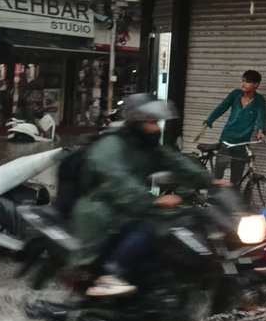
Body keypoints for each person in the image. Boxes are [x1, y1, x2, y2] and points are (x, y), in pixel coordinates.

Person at [73, 93, 220, 298]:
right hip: (102, 206)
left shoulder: (147, 145)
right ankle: (111, 275)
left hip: (130, 202)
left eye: (156, 122)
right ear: (136, 122)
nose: (156, 127)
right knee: (149, 228)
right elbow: (118, 180)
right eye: (151, 122)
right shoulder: (111, 146)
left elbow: (176, 161)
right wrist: (153, 199)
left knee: (181, 222)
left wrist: (208, 180)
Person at [195, 69, 266, 187]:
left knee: (236, 179)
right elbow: (221, 109)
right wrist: (207, 124)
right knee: (218, 173)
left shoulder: (259, 101)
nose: (243, 84)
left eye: (247, 82)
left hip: (241, 144)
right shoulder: (235, 94)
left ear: (256, 85)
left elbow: (261, 117)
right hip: (227, 140)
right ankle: (211, 199)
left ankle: (232, 202)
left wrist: (260, 131)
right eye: (243, 81)